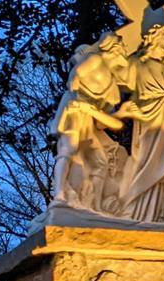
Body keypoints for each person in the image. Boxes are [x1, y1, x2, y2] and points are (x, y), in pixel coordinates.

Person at [116, 23, 164, 223]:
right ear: (153, 39)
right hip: (150, 117)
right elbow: (118, 82)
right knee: (147, 161)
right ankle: (139, 209)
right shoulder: (137, 63)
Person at [50, 38, 127, 212]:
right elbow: (75, 78)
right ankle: (59, 194)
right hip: (74, 109)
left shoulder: (113, 88)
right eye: (121, 48)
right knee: (68, 149)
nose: (124, 51)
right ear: (113, 49)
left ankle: (96, 205)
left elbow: (102, 124)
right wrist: (78, 96)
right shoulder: (96, 60)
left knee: (101, 162)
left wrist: (95, 111)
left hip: (88, 119)